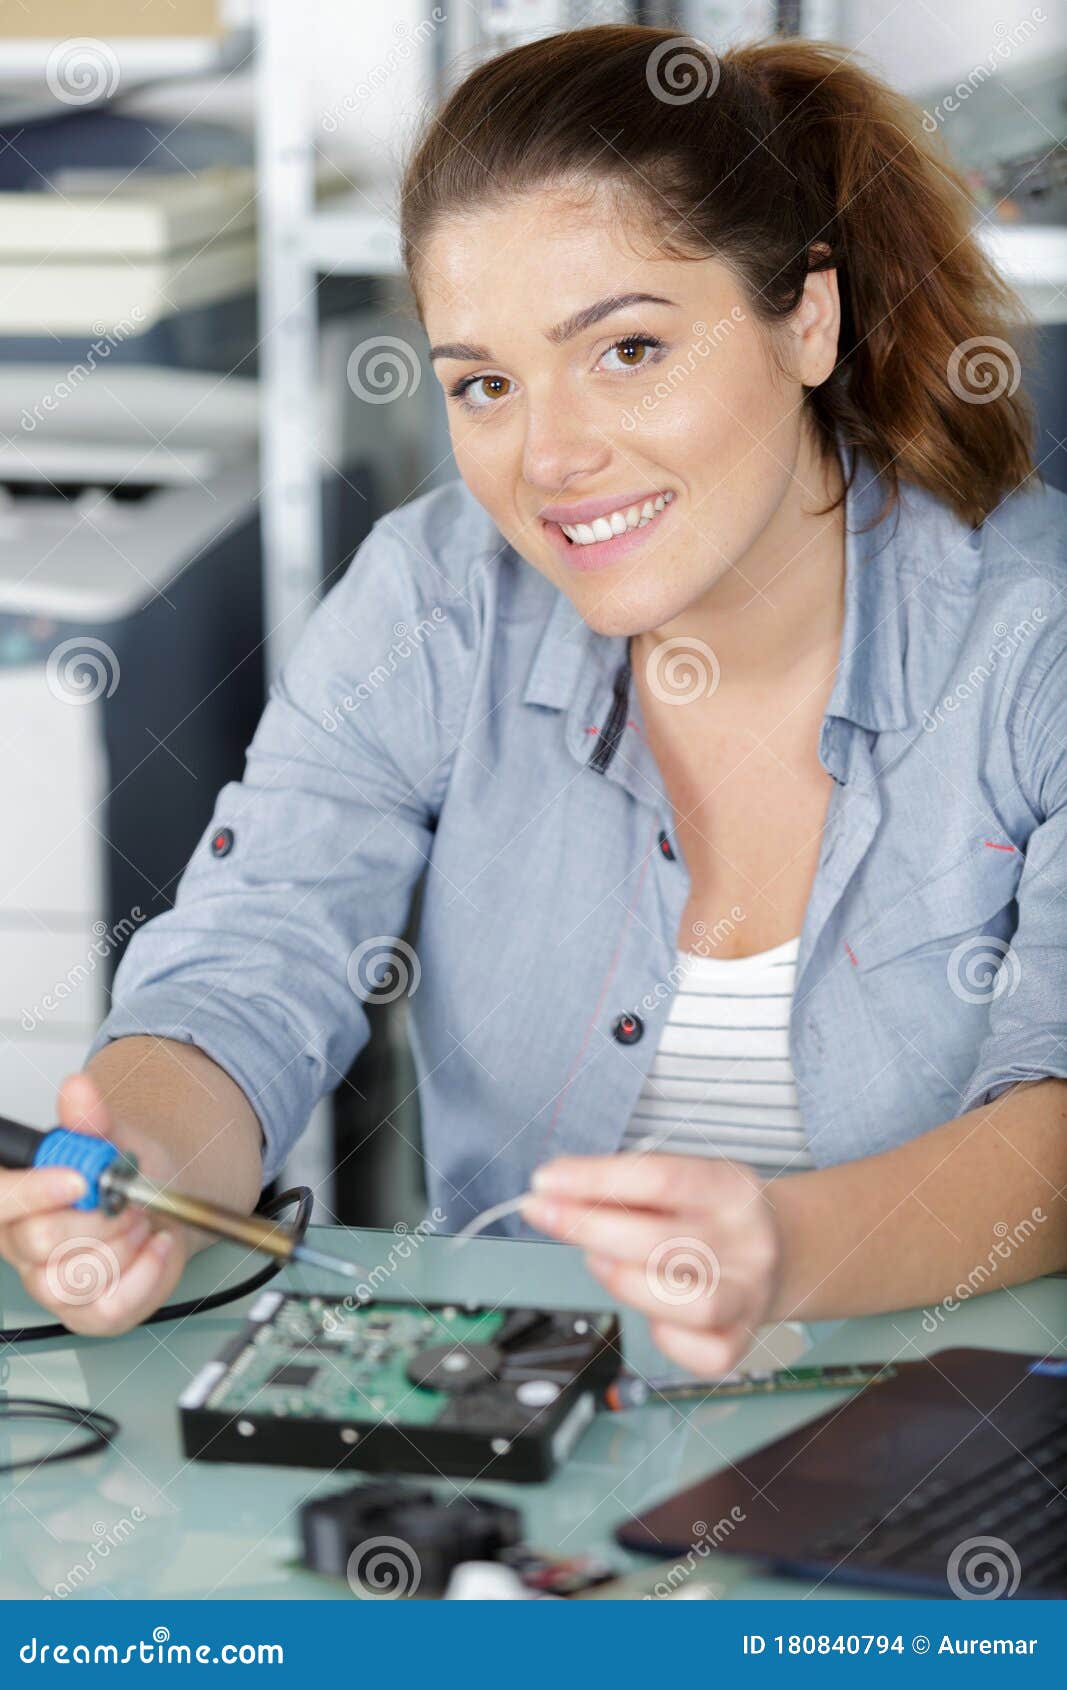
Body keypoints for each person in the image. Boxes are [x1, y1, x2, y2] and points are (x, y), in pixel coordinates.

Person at [3, 28, 1064, 1374]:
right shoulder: (435, 601)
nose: (548, 456)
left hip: (951, 1467)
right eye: (485, 385)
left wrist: (782, 1246)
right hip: (529, 1481)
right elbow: (253, 959)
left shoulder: (1033, 632)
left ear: (807, 317)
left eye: (626, 349)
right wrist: (144, 1161)